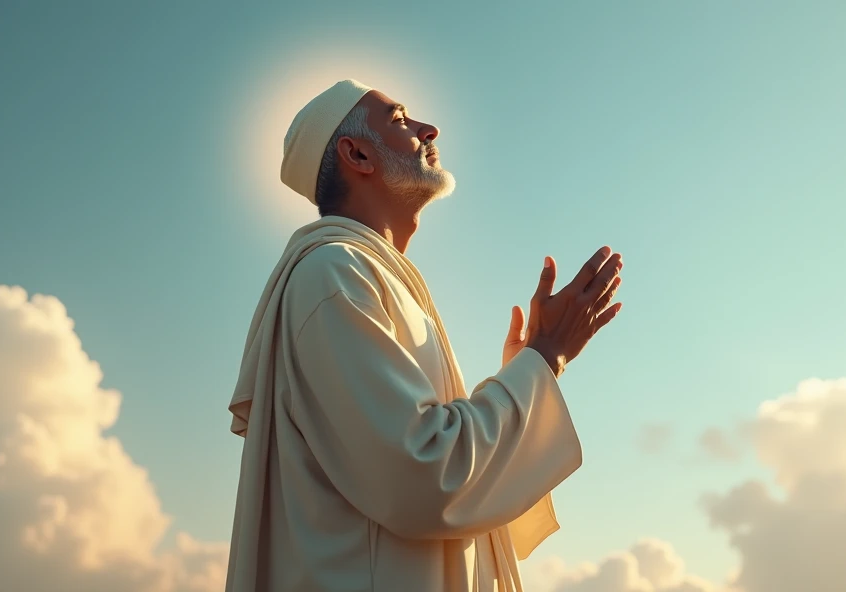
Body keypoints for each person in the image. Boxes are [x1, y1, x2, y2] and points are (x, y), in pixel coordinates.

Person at [226, 79, 624, 592]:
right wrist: (543, 359)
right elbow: (422, 479)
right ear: (357, 153)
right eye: (398, 119)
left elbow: (426, 468)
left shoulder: (366, 276)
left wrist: (519, 378)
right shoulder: (333, 274)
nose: (428, 129)